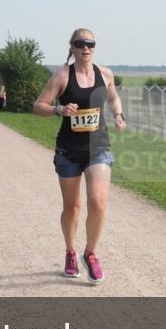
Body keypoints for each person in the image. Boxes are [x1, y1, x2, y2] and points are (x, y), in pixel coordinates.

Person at [33, 28, 125, 283]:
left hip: (99, 147)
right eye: (80, 43)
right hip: (69, 150)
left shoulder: (105, 74)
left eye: (90, 43)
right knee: (72, 207)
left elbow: (114, 99)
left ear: (94, 47)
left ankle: (91, 254)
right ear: (72, 47)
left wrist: (118, 114)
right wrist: (59, 110)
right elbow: (38, 106)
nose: (85, 48)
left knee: (98, 203)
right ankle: (71, 251)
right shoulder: (62, 75)